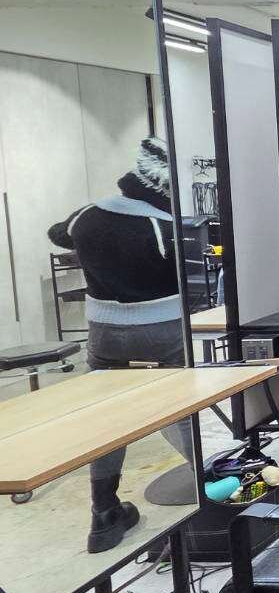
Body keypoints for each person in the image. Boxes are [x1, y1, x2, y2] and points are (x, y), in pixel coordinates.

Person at [47, 137, 191, 553]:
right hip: (161, 330)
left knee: (109, 419)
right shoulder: (164, 228)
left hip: (104, 334)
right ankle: (211, 490)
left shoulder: (87, 216)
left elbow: (58, 234)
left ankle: (104, 512)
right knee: (181, 409)